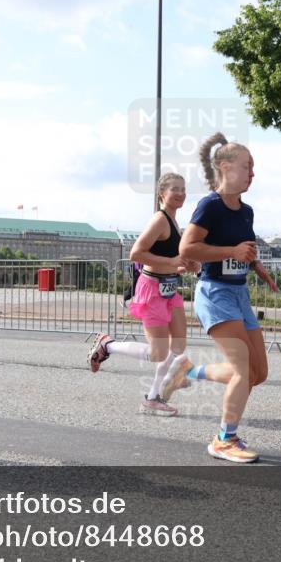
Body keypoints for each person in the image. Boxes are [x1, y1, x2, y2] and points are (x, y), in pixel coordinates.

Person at [159, 132, 278, 462]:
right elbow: (188, 248)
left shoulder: (246, 211)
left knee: (258, 373)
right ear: (225, 167)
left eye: (253, 168)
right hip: (215, 294)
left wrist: (258, 267)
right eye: (247, 166)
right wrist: (232, 251)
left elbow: (244, 249)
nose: (252, 173)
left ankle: (188, 372)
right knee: (242, 371)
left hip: (240, 294)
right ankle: (224, 439)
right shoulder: (210, 206)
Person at [88, 173, 198, 416]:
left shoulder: (174, 221)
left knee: (178, 346)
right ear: (161, 194)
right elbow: (136, 253)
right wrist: (172, 261)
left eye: (183, 189)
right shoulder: (159, 220)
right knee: (158, 352)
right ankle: (108, 345)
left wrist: (183, 266)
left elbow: (167, 259)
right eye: (175, 189)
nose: (181, 194)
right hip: (152, 290)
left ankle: (154, 397)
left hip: (170, 288)